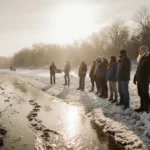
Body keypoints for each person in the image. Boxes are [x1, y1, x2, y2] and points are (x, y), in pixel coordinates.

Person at [133, 46, 150, 113]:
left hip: (144, 79)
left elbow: (149, 69)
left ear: (144, 51)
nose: (139, 51)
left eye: (140, 50)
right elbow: (138, 70)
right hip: (139, 79)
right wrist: (135, 77)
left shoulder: (148, 57)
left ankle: (147, 107)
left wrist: (146, 77)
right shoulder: (141, 58)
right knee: (140, 93)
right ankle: (142, 107)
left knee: (145, 93)